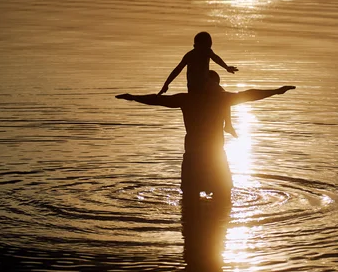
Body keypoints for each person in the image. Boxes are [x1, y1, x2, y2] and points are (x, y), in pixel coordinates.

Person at [117, 74, 295, 202]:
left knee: (208, 196)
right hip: (204, 156)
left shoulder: (200, 99)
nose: (216, 87)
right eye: (212, 84)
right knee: (207, 197)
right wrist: (134, 97)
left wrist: (276, 91)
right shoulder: (208, 99)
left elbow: (249, 94)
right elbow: (157, 100)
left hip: (204, 156)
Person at [158, 31, 239, 138]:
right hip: (203, 86)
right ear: (200, 44)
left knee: (221, 93)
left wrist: (166, 84)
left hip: (192, 88)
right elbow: (216, 58)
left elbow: (177, 70)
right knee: (224, 95)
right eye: (208, 45)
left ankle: (227, 125)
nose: (209, 48)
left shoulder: (189, 55)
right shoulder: (206, 52)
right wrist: (226, 67)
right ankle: (228, 124)